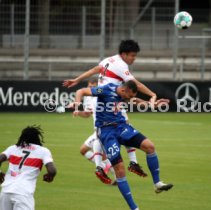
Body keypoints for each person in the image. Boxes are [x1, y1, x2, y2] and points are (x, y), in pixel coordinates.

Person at [73, 80, 173, 210]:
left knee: (150, 146)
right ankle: (134, 208)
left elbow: (134, 100)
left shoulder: (123, 92)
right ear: (123, 90)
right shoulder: (104, 90)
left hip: (121, 127)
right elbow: (81, 91)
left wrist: (150, 104)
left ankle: (157, 183)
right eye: (129, 96)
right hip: (106, 131)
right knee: (120, 170)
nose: (130, 99)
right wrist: (77, 104)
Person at [63, 40, 153, 177]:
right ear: (124, 54)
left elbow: (94, 70)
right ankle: (127, 164)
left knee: (102, 132)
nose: (134, 58)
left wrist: (77, 79)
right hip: (111, 98)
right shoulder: (122, 66)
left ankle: (102, 166)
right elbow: (136, 84)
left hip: (101, 98)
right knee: (125, 127)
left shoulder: (108, 60)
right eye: (132, 55)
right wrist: (152, 94)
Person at [74, 80, 147, 185]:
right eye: (89, 86)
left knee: (104, 148)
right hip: (100, 129)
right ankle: (110, 169)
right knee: (84, 150)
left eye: (93, 86)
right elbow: (87, 114)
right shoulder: (92, 100)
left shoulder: (108, 96)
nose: (91, 88)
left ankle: (105, 167)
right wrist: (77, 111)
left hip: (108, 129)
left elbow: (128, 106)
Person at [0, 125, 57, 210]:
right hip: (23, 193)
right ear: (37, 137)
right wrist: (50, 176)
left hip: (5, 191)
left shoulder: (13, 148)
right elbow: (52, 170)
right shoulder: (43, 151)